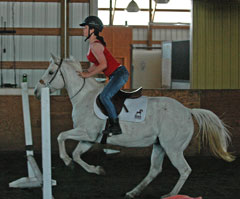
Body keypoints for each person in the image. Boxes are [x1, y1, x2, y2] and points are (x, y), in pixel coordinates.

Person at [77, 16, 129, 136]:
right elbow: (96, 64)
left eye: (85, 28)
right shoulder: (93, 46)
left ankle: (115, 126)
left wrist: (88, 75)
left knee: (105, 96)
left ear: (92, 30)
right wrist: (84, 72)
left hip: (119, 74)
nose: (83, 30)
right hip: (115, 75)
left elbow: (103, 65)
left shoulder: (95, 45)